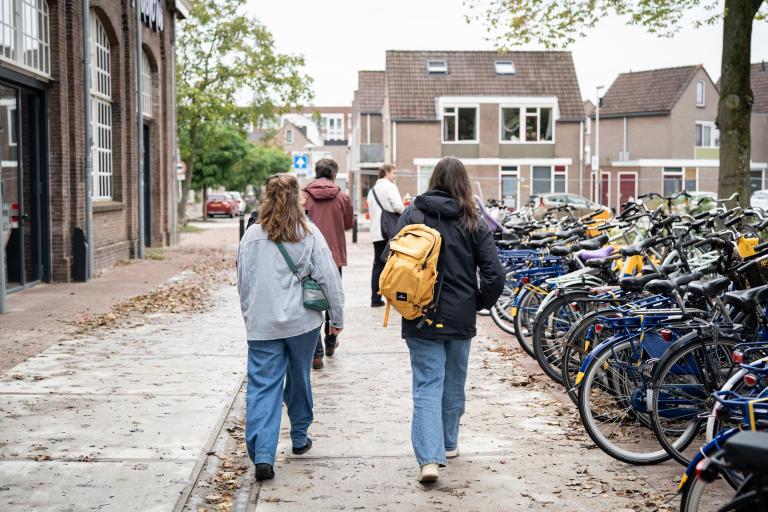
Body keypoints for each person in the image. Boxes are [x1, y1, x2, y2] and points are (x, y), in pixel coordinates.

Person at [388, 157, 504, 483]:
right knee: (453, 381)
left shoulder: (412, 214)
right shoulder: (473, 220)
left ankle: (428, 459)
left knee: (427, 384)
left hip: (419, 314)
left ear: (434, 179)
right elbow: (495, 275)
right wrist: (478, 302)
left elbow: (391, 259)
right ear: (464, 183)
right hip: (459, 316)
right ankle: (449, 443)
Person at [237, 173, 344, 481]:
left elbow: (243, 281)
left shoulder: (251, 236)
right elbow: (328, 279)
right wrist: (336, 319)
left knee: (262, 386)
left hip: (263, 324)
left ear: (266, 199)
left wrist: (249, 316)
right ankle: (299, 437)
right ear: (298, 198)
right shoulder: (309, 234)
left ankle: (263, 455)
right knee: (299, 378)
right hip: (302, 323)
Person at [302, 158, 353, 369]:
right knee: (332, 296)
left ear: (316, 173)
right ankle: (331, 341)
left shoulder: (304, 197)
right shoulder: (342, 196)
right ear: (333, 174)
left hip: (307, 256)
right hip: (334, 255)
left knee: (310, 301)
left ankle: (316, 354)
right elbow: (349, 223)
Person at [367, 163, 404, 307]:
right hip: (389, 231)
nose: (395, 175)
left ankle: (375, 298)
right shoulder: (390, 187)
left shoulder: (372, 190)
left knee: (378, 264)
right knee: (395, 264)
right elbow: (398, 206)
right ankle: (395, 297)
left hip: (377, 232)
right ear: (387, 172)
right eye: (394, 172)